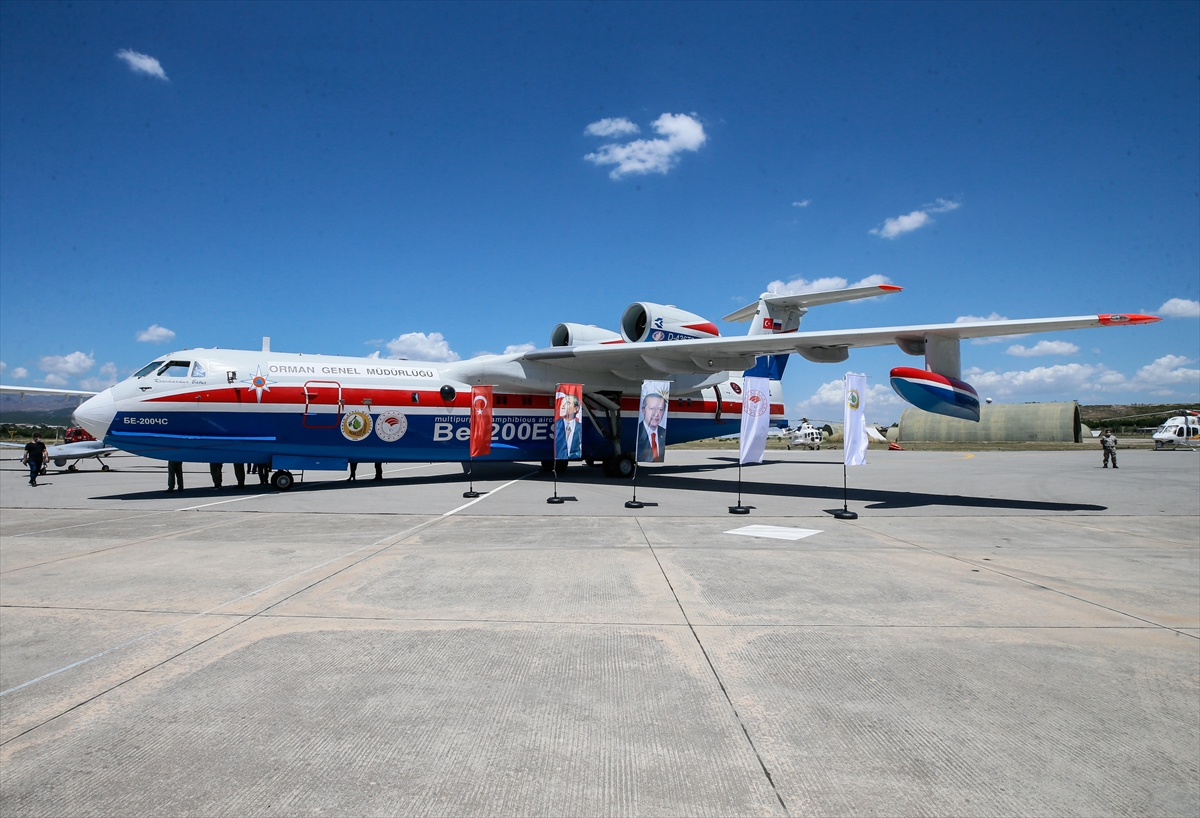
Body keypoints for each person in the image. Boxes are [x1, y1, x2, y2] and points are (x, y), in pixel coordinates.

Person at [636, 393, 668, 462]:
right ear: (643, 410)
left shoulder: (664, 432)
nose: (656, 414)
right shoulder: (638, 431)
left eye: (660, 409)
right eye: (652, 408)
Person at [554, 394, 583, 460]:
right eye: (561, 403)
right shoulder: (555, 426)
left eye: (567, 403)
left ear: (576, 409)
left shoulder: (580, 427)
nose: (562, 406)